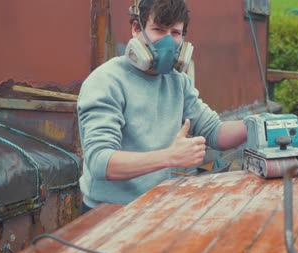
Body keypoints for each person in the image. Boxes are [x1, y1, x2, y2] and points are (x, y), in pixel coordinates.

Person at [77, 0, 247, 213]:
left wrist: (254, 125)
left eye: (175, 33)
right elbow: (101, 162)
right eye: (158, 29)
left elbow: (214, 131)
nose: (167, 41)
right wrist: (170, 156)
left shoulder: (178, 81)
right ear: (136, 29)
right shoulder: (106, 81)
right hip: (109, 213)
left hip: (162, 206)